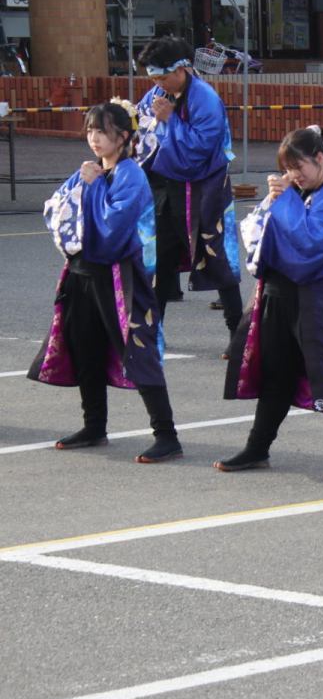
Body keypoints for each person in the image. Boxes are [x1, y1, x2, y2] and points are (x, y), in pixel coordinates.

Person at [219, 126, 323, 485]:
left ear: (320, 159)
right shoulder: (294, 193)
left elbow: (308, 247)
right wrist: (276, 202)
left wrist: (284, 200)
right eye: (288, 168)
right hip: (276, 295)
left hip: (318, 300)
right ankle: (257, 448)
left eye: (299, 166)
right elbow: (253, 232)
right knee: (276, 375)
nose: (293, 175)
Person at [30, 101, 182, 464]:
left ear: (124, 137)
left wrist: (89, 190)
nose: (94, 138)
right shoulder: (91, 171)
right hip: (82, 274)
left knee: (137, 350)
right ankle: (94, 425)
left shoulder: (130, 175)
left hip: (118, 277)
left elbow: (112, 232)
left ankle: (167, 435)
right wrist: (85, 189)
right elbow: (56, 209)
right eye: (90, 131)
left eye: (102, 131)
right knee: (86, 350)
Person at [134, 36, 242, 353]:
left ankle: (238, 336)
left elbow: (200, 149)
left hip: (203, 190)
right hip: (165, 192)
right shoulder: (157, 93)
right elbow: (141, 132)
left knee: (216, 260)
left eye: (162, 76)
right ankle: (150, 333)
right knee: (157, 264)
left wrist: (168, 120)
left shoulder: (205, 99)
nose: (157, 83)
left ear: (183, 68)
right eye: (153, 78)